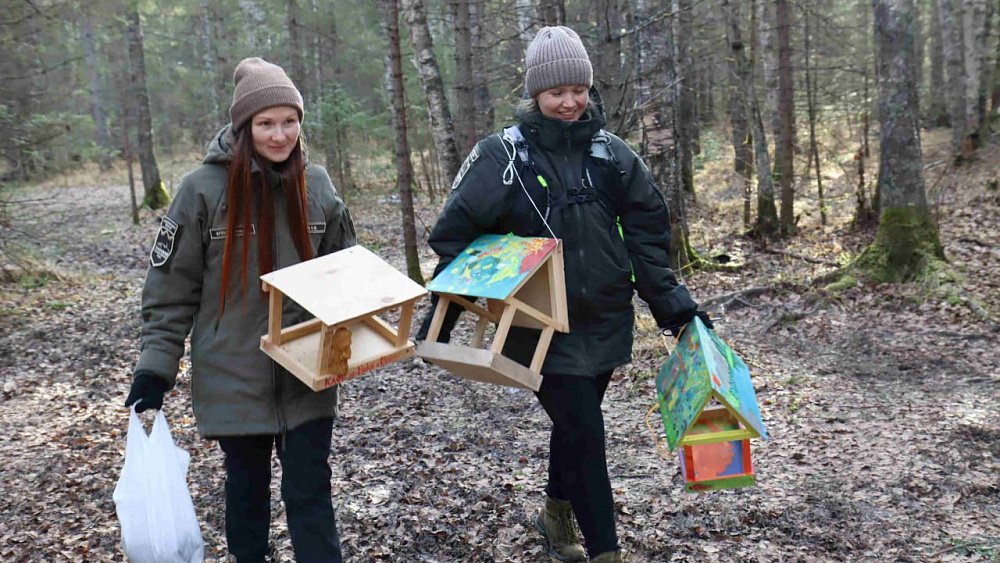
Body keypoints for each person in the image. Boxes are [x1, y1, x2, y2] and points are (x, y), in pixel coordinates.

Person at [417, 27, 712, 563]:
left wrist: (675, 307)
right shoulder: (501, 157)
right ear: (535, 93)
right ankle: (606, 552)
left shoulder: (612, 155)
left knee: (576, 430)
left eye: (579, 89)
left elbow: (648, 238)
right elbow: (452, 237)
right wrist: (490, 288)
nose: (570, 101)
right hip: (537, 327)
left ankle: (555, 514)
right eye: (557, 92)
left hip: (605, 318)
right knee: (587, 432)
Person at [125, 57, 356, 563]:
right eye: (266, 123)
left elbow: (348, 273)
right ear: (243, 127)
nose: (280, 135)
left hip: (307, 373)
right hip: (233, 374)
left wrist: (357, 332)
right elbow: (169, 289)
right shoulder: (201, 191)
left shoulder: (316, 185)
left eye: (289, 121)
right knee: (247, 496)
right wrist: (155, 369)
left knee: (311, 495)